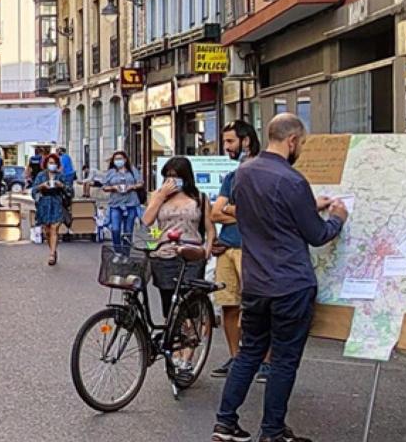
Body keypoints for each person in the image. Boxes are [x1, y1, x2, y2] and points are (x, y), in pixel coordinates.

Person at [212, 114, 349, 442]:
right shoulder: (293, 180)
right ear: (292, 141)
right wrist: (338, 219)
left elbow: (260, 215)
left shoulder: (243, 173)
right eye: (301, 143)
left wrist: (308, 206)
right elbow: (316, 235)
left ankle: (225, 423)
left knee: (249, 352)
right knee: (284, 360)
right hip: (290, 283)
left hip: (256, 282)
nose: (300, 148)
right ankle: (272, 431)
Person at [209, 120, 262, 379]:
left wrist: (231, 211)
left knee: (256, 307)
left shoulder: (263, 172)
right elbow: (215, 213)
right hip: (227, 249)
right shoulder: (231, 176)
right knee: (228, 305)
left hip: (250, 250)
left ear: (246, 141)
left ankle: (265, 361)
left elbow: (263, 215)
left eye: (230, 141)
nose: (226, 147)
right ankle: (235, 358)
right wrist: (239, 213)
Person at [142, 157, 214, 321]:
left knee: (189, 304)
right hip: (164, 254)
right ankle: (172, 342)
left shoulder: (199, 198)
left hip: (192, 253)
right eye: (168, 176)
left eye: (176, 176)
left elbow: (210, 229)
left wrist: (206, 252)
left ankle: (188, 342)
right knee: (169, 305)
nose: (172, 180)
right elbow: (146, 220)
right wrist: (160, 197)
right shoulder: (157, 196)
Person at [32, 153, 72, 266]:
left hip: (57, 203)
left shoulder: (61, 176)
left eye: (54, 163)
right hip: (44, 205)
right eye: (50, 163)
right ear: (46, 164)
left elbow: (70, 191)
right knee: (47, 230)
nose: (52, 165)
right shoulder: (41, 175)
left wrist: (62, 186)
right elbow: (33, 190)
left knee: (54, 228)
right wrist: (41, 186)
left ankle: (51, 254)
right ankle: (53, 249)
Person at [101, 151, 144, 251]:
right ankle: (117, 251)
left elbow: (140, 183)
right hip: (116, 204)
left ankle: (126, 253)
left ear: (125, 160)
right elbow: (104, 186)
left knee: (128, 231)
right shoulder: (111, 172)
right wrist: (113, 188)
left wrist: (132, 187)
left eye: (120, 159)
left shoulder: (132, 170)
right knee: (115, 229)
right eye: (116, 159)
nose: (118, 161)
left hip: (131, 203)